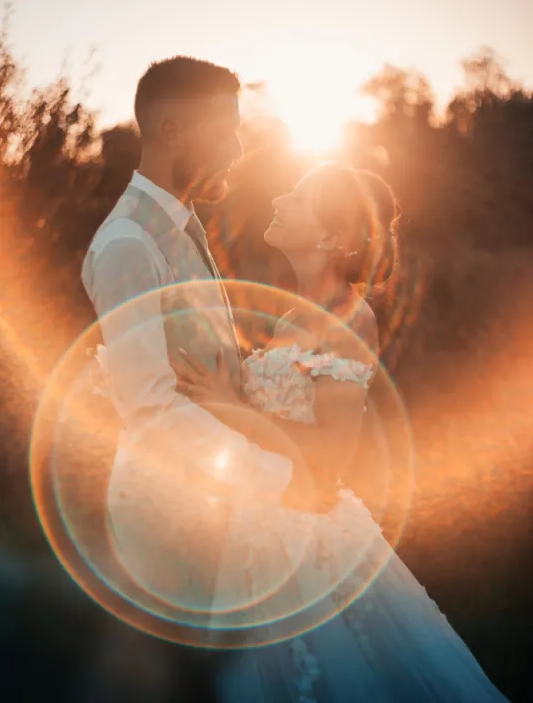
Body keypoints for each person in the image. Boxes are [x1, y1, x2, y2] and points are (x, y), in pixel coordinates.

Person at [174, 162, 510, 702]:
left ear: (331, 237)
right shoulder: (291, 319)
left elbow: (331, 453)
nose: (281, 199)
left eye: (300, 196)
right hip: (262, 521)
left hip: (305, 540)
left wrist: (228, 406)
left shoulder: (351, 319)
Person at [81, 56, 294, 701]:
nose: (237, 147)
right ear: (173, 132)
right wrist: (277, 476)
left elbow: (208, 366)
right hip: (169, 522)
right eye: (226, 130)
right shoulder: (126, 244)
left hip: (218, 503)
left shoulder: (180, 225)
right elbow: (150, 409)